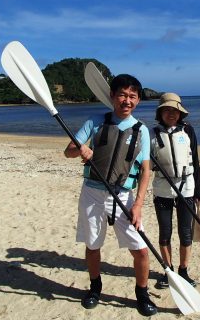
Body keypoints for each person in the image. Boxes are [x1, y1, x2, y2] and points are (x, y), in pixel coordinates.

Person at [64, 74, 157, 316]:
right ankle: (95, 288)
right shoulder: (95, 122)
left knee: (141, 250)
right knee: (93, 245)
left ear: (137, 100)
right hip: (92, 193)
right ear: (112, 97)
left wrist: (138, 205)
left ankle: (142, 293)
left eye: (132, 96)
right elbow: (68, 152)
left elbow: (146, 171)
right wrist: (80, 147)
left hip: (124, 196)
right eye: (122, 95)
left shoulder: (142, 131)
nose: (127, 100)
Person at [150, 92, 200, 289]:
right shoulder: (152, 134)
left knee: (185, 232)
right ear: (161, 113)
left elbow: (196, 162)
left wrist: (198, 191)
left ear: (180, 113)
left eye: (175, 110)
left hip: (186, 188)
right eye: (167, 110)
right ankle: (168, 270)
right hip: (163, 189)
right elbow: (144, 164)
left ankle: (183, 270)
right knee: (165, 232)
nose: (171, 113)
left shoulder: (188, 131)